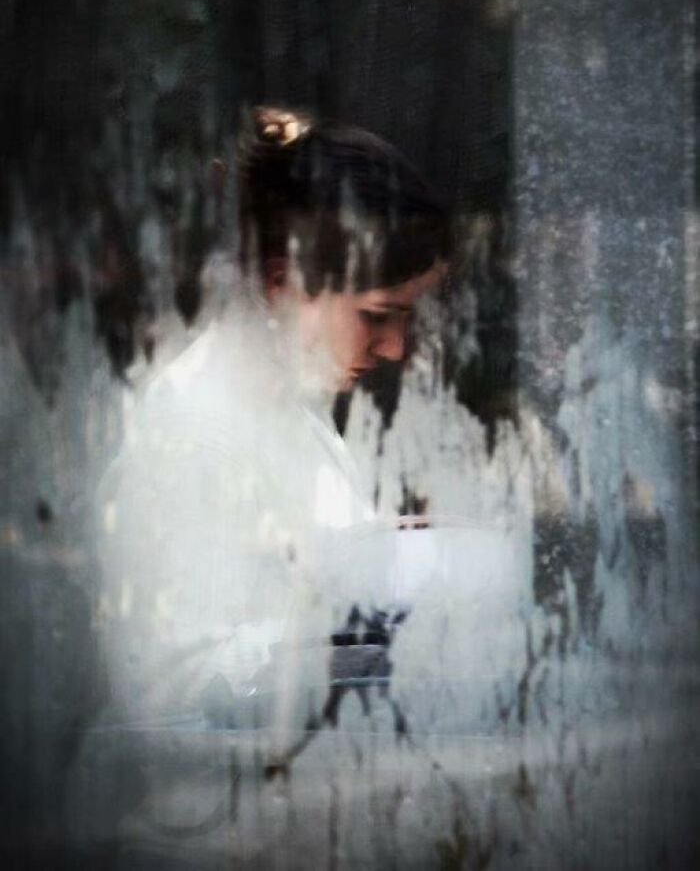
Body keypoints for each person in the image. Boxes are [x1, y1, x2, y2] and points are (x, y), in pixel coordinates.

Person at [70, 107, 451, 864]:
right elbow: (168, 697)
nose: (396, 347)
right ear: (284, 283)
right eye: (378, 315)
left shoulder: (294, 412)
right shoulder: (194, 427)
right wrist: (349, 618)